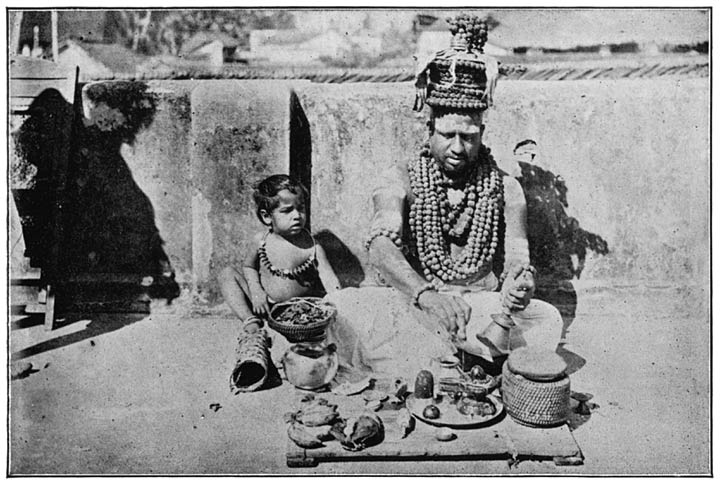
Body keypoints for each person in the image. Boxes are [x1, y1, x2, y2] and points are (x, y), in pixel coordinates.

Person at [325, 14, 563, 380]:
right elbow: (380, 248)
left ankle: (436, 360)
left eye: (468, 136)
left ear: (481, 133)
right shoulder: (400, 178)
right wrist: (427, 296)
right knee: (341, 307)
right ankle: (464, 360)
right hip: (417, 301)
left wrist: (521, 283)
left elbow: (519, 261)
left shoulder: (505, 187)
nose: (457, 147)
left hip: (478, 306)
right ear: (429, 129)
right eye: (448, 134)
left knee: (547, 319)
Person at [218, 174, 341, 337]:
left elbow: (330, 280)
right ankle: (250, 319)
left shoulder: (312, 246)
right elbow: (248, 267)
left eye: (301, 208)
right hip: (265, 305)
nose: (297, 216)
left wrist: (337, 303)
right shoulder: (261, 241)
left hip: (299, 310)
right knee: (226, 274)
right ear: (267, 216)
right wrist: (256, 291)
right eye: (287, 211)